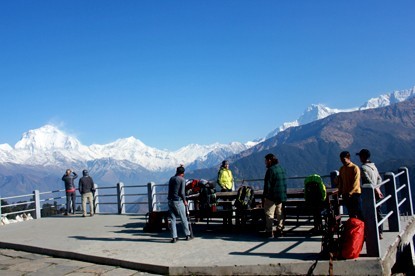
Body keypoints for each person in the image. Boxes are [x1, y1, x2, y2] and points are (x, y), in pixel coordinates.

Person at [357, 149, 384, 239]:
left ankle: (372, 233)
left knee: (369, 213)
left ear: (363, 157)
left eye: (360, 156)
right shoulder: (373, 166)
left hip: (369, 194)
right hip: (377, 192)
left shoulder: (363, 168)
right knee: (378, 211)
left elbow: (368, 180)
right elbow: (379, 178)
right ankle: (380, 231)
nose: (360, 158)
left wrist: (375, 188)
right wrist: (378, 188)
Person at [262, 153, 287, 238]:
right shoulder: (281, 168)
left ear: (269, 160)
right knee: (280, 213)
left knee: (269, 214)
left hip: (272, 196)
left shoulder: (270, 170)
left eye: (266, 161)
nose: (265, 163)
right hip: (281, 195)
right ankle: (280, 230)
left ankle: (269, 231)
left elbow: (267, 185)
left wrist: (265, 196)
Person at [167, 165, 193, 243]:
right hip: (178, 201)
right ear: (183, 173)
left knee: (172, 219)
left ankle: (174, 237)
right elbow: (182, 192)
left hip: (170, 200)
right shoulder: (182, 179)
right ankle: (187, 235)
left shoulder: (171, 178)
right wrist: (185, 200)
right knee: (183, 218)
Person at [337, 151, 364, 220]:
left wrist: (351, 192)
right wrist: (340, 191)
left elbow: (356, 182)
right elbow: (341, 181)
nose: (342, 161)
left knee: (359, 212)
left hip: (355, 194)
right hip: (346, 194)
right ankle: (354, 229)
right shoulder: (341, 169)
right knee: (351, 213)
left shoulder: (355, 168)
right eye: (341, 159)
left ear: (348, 158)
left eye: (344, 159)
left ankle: (363, 228)